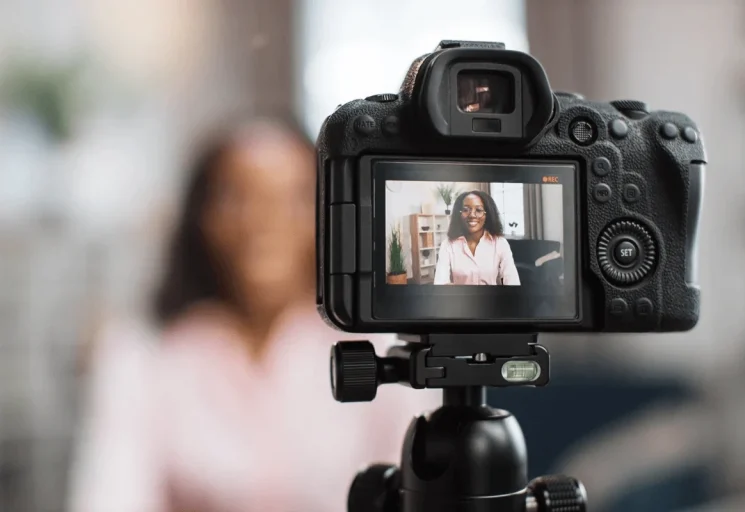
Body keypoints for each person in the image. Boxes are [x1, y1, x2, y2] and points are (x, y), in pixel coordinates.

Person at [68, 118, 439, 512]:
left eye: (294, 198)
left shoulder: (383, 348)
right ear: (202, 217)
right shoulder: (144, 354)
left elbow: (419, 490)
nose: (264, 220)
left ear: (332, 215)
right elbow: (113, 494)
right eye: (237, 196)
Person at [433, 190, 520, 286]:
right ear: (459, 214)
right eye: (466, 210)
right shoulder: (448, 245)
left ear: (488, 215)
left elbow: (512, 281)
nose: (472, 215)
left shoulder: (500, 243)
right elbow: (440, 283)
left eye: (478, 210)